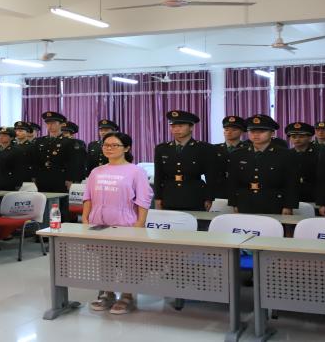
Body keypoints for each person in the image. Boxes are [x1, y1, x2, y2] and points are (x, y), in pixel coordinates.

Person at [83, 132, 152, 315]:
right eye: (106, 145)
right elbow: (88, 197)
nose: (109, 148)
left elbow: (144, 200)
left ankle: (127, 296)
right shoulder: (96, 171)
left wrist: (140, 224)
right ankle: (108, 292)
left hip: (126, 223)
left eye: (115, 145)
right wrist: (85, 219)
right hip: (99, 223)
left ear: (126, 148)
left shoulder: (136, 171)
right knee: (105, 260)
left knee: (130, 260)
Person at [153, 110, 224, 212]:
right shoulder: (162, 148)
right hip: (169, 196)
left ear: (191, 127)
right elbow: (158, 175)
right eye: (173, 126)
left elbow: (211, 176)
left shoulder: (205, 148)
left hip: (194, 196)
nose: (176, 129)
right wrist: (158, 197)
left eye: (180, 126)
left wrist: (209, 198)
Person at [227, 115, 297, 214]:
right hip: (245, 202)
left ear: (272, 133)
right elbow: (233, 182)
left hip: (274, 203)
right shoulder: (237, 154)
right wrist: (234, 203)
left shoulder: (286, 154)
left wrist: (289, 206)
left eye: (261, 131)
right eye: (252, 131)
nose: (256, 135)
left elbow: (291, 183)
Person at [32, 111, 77, 193]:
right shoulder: (39, 141)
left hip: (60, 178)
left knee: (60, 200)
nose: (50, 126)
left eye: (53, 123)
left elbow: (72, 163)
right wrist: (34, 177)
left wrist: (70, 179)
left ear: (61, 124)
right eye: (48, 123)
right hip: (42, 178)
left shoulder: (69, 142)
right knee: (43, 200)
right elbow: (35, 161)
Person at [286, 122, 318, 203]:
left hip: (314, 195)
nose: (297, 139)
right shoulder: (287, 154)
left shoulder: (319, 153)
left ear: (310, 138)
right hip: (294, 195)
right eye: (294, 137)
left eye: (301, 136)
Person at [0, 127, 25, 191]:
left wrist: (18, 184)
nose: (1, 137)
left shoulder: (17, 150)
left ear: (11, 138)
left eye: (4, 135)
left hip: (9, 182)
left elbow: (19, 169)